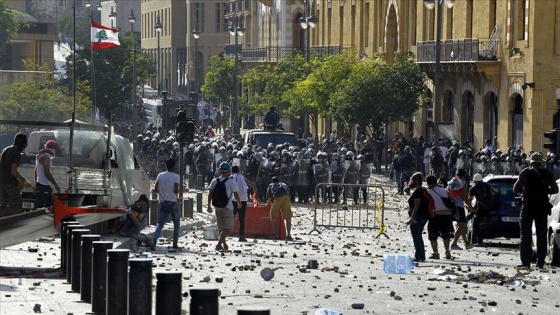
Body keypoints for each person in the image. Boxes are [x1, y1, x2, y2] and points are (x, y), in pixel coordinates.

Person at [513, 152, 558, 270]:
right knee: (542, 235)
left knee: (525, 235)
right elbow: (555, 189)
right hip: (542, 207)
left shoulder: (525, 172)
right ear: (541, 162)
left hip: (528, 206)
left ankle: (526, 263)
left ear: (531, 161)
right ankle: (540, 262)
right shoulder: (547, 173)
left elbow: (515, 188)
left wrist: (527, 191)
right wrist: (543, 191)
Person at [208, 162, 241, 251]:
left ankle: (224, 243)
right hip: (228, 207)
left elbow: (210, 194)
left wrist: (209, 206)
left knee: (221, 227)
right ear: (229, 171)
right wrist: (239, 202)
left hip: (217, 207)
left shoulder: (214, 181)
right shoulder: (231, 182)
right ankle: (219, 245)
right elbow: (236, 193)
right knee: (226, 228)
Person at [0, 133, 33, 217]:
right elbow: (13, 171)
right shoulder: (16, 153)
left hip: (1, 182)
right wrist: (24, 181)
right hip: (10, 183)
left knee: (2, 205)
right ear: (23, 144)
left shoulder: (6, 150)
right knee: (16, 206)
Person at [152, 158, 181, 250]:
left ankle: (154, 241)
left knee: (160, 224)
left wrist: (162, 192)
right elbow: (176, 190)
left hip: (163, 202)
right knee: (176, 224)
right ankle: (175, 243)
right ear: (174, 166)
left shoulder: (160, 175)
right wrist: (176, 195)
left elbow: (155, 188)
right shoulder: (176, 176)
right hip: (173, 202)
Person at [426, 175, 454, 260]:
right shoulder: (445, 190)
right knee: (446, 234)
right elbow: (453, 200)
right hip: (448, 215)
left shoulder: (428, 191)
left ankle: (436, 253)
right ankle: (447, 251)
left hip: (436, 215)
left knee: (432, 234)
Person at [406, 172, 430, 262]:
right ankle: (420, 255)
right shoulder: (423, 190)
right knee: (418, 236)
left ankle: (419, 256)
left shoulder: (418, 192)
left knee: (416, 236)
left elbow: (416, 205)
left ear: (416, 181)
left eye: (412, 180)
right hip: (423, 216)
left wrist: (412, 218)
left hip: (418, 217)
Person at [231, 165, 257, 242]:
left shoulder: (232, 177)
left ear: (231, 171)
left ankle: (223, 232)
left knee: (230, 217)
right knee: (241, 219)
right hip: (243, 201)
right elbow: (252, 185)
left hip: (235, 200)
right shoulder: (242, 177)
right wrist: (255, 195)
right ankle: (241, 236)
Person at [468, 173, 495, 247]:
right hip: (491, 208)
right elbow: (494, 192)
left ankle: (480, 240)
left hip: (481, 208)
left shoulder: (473, 189)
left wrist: (471, 209)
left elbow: (469, 200)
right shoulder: (486, 185)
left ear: (474, 181)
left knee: (475, 223)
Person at [448, 168, 472, 250]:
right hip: (459, 205)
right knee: (462, 224)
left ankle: (467, 243)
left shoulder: (452, 181)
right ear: (464, 175)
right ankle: (454, 244)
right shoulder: (464, 183)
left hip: (451, 205)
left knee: (461, 225)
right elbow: (465, 198)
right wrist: (471, 207)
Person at [35, 140, 61, 208]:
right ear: (54, 149)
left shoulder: (41, 155)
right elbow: (47, 173)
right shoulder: (46, 157)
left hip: (43, 185)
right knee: (42, 208)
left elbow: (35, 170)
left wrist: (36, 183)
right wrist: (55, 184)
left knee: (49, 207)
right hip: (44, 186)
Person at [266, 176, 293, 241]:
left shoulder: (270, 185)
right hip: (286, 198)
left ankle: (274, 234)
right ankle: (288, 235)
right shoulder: (284, 184)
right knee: (288, 217)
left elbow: (269, 199)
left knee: (273, 215)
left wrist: (269, 205)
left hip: (277, 198)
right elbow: (288, 193)